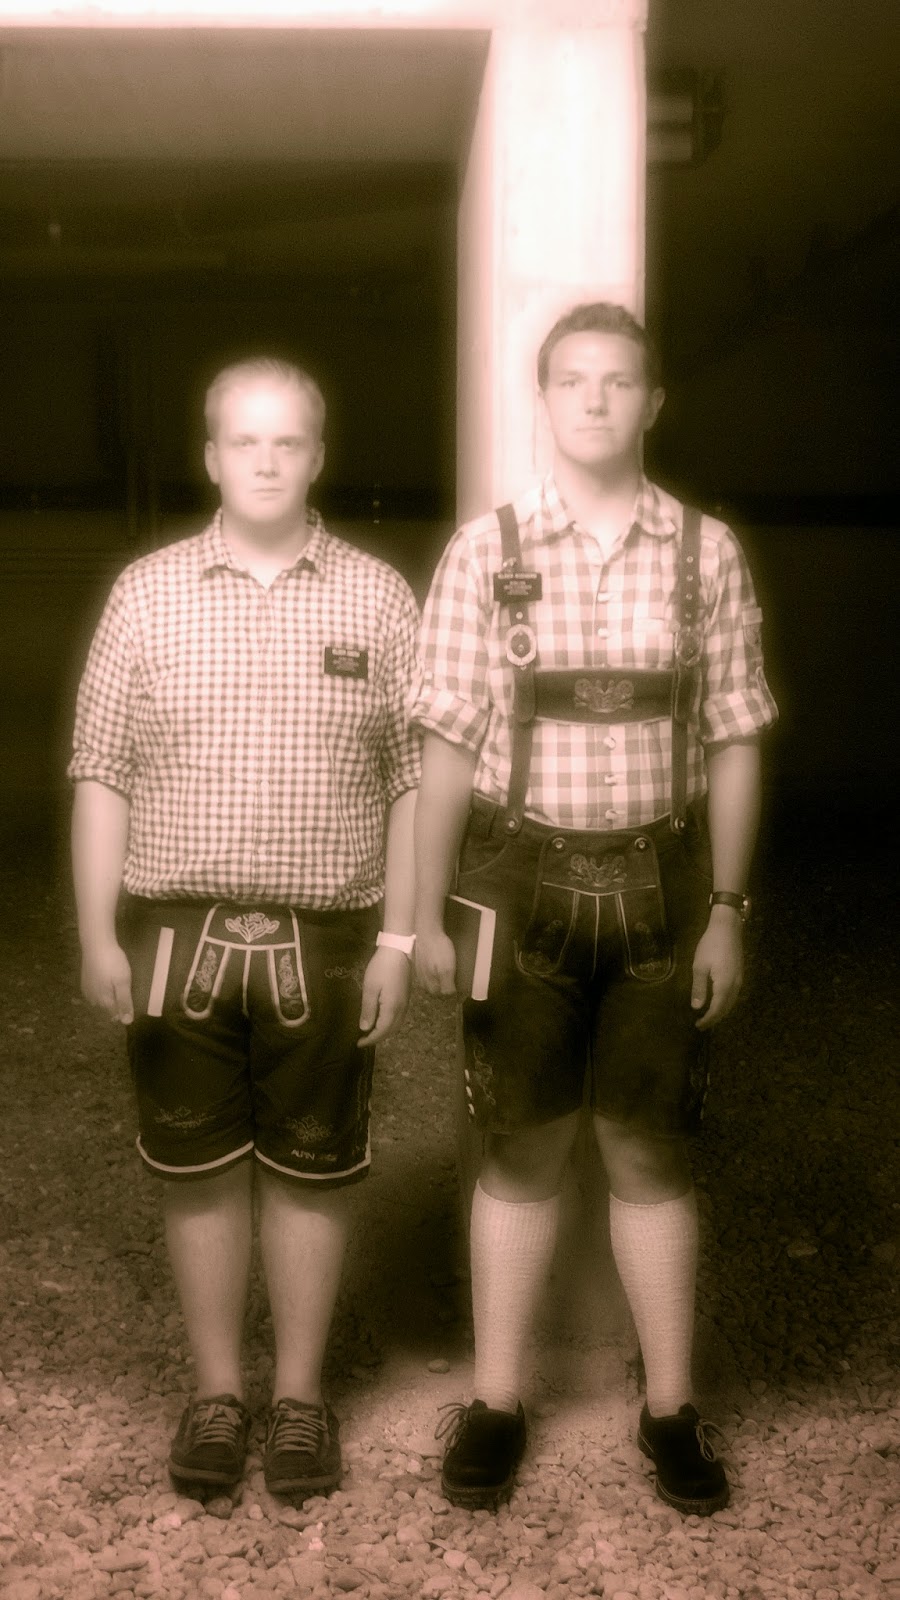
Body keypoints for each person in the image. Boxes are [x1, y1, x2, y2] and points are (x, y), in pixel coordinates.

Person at [411, 302, 778, 1517]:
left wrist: (727, 906)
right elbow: (444, 744)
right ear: (545, 397)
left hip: (665, 884)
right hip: (517, 881)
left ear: (653, 401)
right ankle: (498, 1401)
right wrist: (422, 915)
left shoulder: (705, 552)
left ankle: (670, 1407)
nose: (597, 399)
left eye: (620, 380)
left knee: (650, 1144)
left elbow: (734, 739)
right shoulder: (487, 549)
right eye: (574, 379)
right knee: (519, 1144)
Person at [69, 357, 420, 1498]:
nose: (266, 461)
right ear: (211, 455)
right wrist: (97, 933)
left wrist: (401, 939)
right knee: (199, 1169)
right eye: (244, 441)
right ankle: (219, 1391)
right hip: (177, 933)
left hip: (329, 937)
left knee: (312, 1171)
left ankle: (303, 1398)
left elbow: (415, 781)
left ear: (317, 455)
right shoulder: (147, 594)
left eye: (287, 442)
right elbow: (101, 772)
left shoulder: (378, 599)